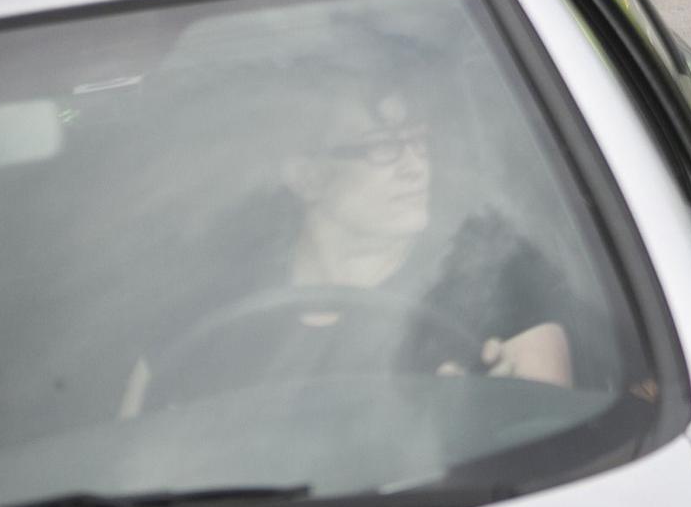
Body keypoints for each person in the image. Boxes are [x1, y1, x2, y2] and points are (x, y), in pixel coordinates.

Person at [121, 79, 571, 415]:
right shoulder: (211, 311)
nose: (416, 167)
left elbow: (552, 440)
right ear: (307, 176)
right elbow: (134, 456)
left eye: (417, 140)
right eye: (383, 147)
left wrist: (496, 408)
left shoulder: (491, 273)